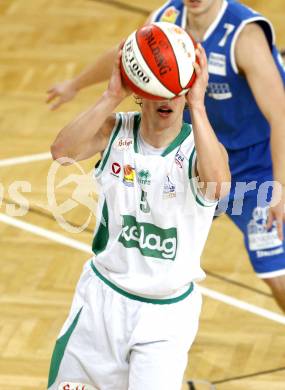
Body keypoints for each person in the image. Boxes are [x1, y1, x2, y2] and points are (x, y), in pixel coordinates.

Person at [46, 0, 285, 313]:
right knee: (153, 243)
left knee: (276, 273)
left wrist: (279, 189)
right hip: (193, 161)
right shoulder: (165, 20)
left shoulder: (243, 36)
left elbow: (280, 114)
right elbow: (127, 56)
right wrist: (74, 85)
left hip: (256, 165)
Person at [47, 43, 230, 390]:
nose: (167, 98)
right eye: (157, 88)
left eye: (175, 90)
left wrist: (199, 106)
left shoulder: (202, 148)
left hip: (165, 316)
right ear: (139, 92)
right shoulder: (113, 131)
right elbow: (61, 152)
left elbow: (219, 187)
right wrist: (110, 95)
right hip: (102, 301)